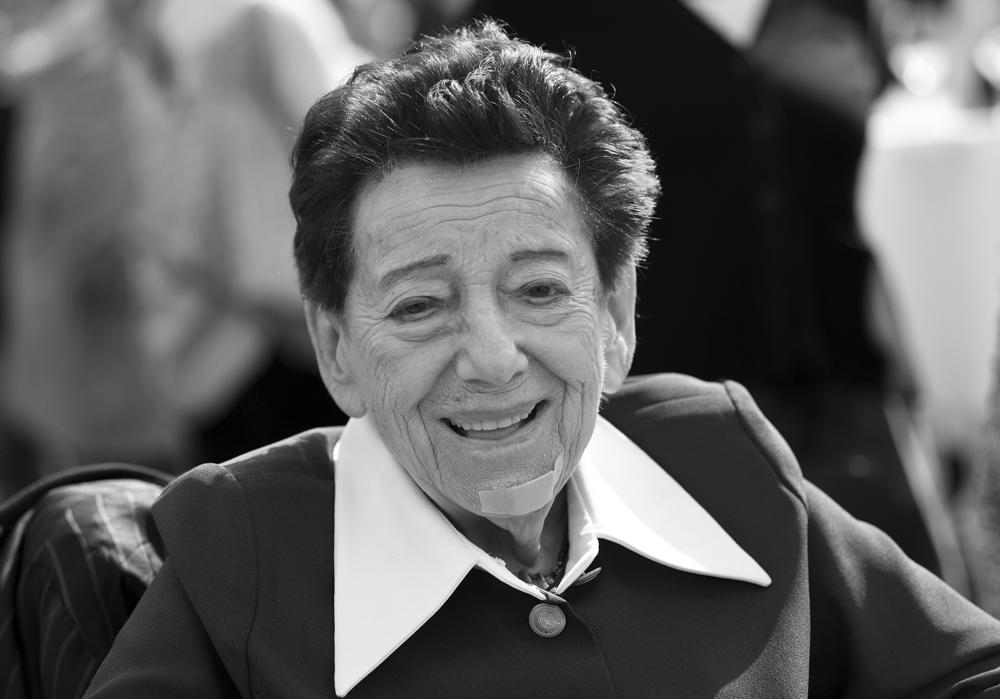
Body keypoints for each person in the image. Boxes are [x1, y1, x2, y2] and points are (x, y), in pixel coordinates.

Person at [84, 20, 1000, 697]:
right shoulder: (240, 549)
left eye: (538, 289)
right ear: (335, 349)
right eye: (419, 305)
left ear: (616, 314)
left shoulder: (720, 458)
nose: (491, 358)